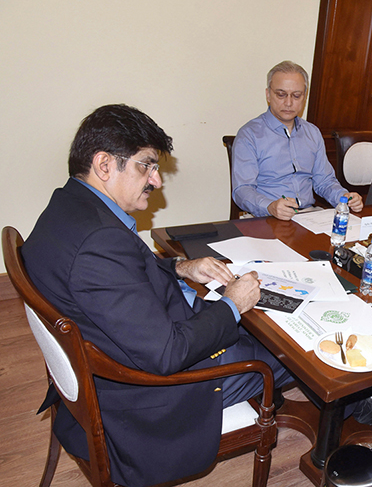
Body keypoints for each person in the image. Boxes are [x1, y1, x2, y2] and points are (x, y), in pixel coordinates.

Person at [22, 104, 294, 487]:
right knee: (288, 351)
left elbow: (123, 274)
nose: (156, 180)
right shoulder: (100, 242)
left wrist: (182, 267)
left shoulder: (69, 206)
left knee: (254, 326)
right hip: (146, 400)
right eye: (146, 166)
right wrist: (233, 303)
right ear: (104, 165)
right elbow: (167, 355)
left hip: (115, 360)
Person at [231, 60, 363, 220]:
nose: (288, 102)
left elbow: (324, 181)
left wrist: (344, 197)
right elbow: (242, 190)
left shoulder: (312, 132)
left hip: (309, 216)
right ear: (268, 94)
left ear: (305, 96)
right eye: (281, 94)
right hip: (265, 217)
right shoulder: (249, 135)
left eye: (296, 95)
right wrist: (270, 206)